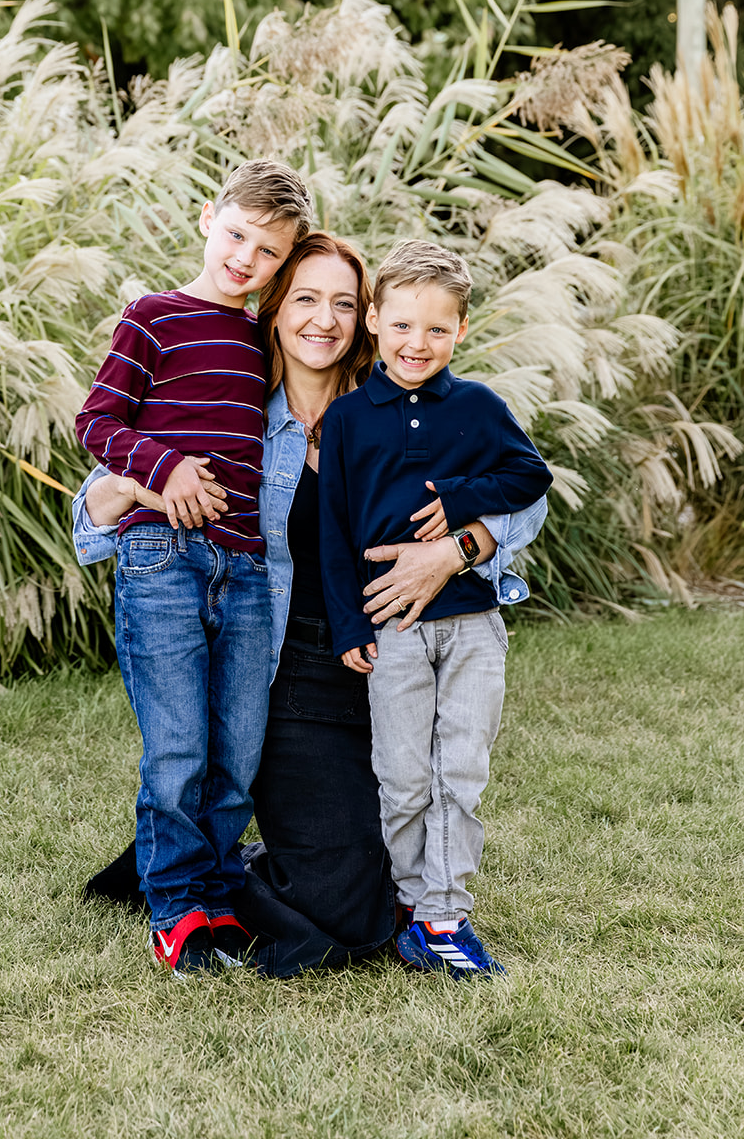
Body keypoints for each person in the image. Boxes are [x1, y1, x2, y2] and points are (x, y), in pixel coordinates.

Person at [75, 231, 548, 977]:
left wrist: (457, 549)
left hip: (386, 664)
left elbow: (525, 495)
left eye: (342, 302)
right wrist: (141, 483)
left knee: (388, 866)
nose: (322, 320)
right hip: (283, 682)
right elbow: (95, 513)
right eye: (303, 299)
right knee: (347, 909)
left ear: (364, 317)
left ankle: (221, 846)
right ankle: (202, 873)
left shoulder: (395, 404)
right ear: (272, 309)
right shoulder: (234, 414)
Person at [73, 158, 313, 976]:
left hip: (244, 569)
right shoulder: (153, 317)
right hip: (161, 558)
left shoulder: (260, 340)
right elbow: (96, 420)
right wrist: (160, 469)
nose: (245, 257)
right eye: (238, 234)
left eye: (268, 252)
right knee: (176, 749)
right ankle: (175, 910)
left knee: (236, 751)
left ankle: (216, 894)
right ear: (207, 219)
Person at [321, 239, 553, 981]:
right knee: (401, 775)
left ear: (459, 332)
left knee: (461, 768)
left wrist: (461, 505)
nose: (416, 343)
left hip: (471, 625)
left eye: (436, 329)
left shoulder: (478, 406)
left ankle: (443, 915)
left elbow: (528, 473)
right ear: (375, 325)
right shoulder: (351, 419)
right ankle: (405, 900)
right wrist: (350, 625)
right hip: (390, 627)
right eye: (400, 326)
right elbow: (334, 530)